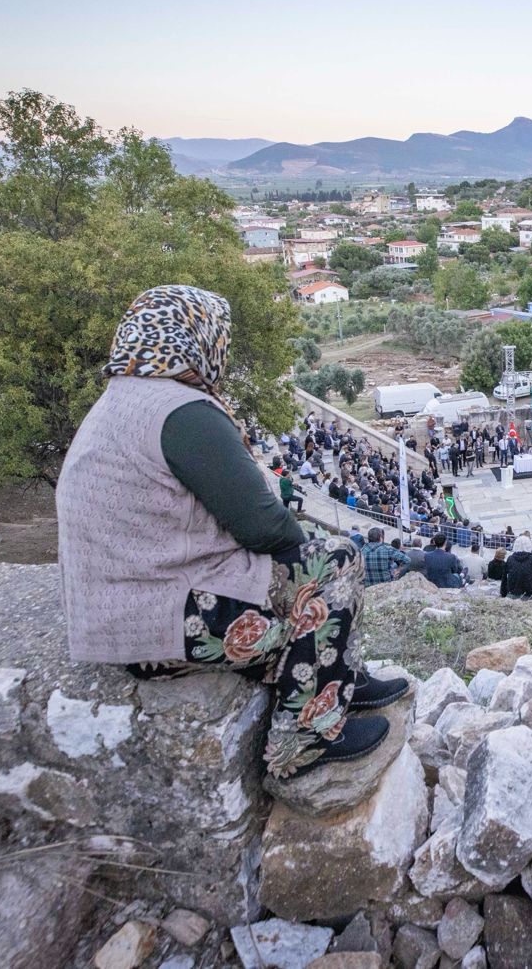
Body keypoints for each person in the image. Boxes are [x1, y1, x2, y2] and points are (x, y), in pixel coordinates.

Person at [57, 285, 409, 784]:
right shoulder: (181, 412)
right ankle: (305, 742)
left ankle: (343, 681)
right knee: (335, 560)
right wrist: (303, 548)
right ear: (197, 337)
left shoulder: (123, 399)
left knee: (304, 570)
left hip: (122, 614)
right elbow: (263, 524)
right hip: (164, 622)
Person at [501, 534, 532, 599]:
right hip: (531, 594)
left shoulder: (510, 559)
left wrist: (503, 593)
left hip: (513, 593)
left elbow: (504, 577)